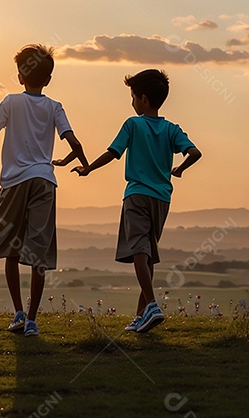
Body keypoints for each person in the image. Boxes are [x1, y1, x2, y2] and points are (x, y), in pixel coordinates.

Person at [69, 69, 201, 333]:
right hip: (162, 198)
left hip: (137, 194)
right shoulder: (171, 129)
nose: (131, 102)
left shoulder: (133, 124)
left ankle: (151, 305)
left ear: (142, 98)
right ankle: (142, 316)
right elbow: (195, 152)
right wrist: (181, 168)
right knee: (148, 255)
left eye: (132, 96)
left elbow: (113, 152)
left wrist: (88, 170)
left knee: (139, 250)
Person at [0, 44, 88, 337]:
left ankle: (18, 313)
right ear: (48, 79)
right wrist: (79, 164)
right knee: (38, 252)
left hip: (13, 182)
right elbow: (75, 143)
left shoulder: (10, 102)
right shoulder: (55, 107)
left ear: (20, 76)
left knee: (10, 248)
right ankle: (33, 320)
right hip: (44, 180)